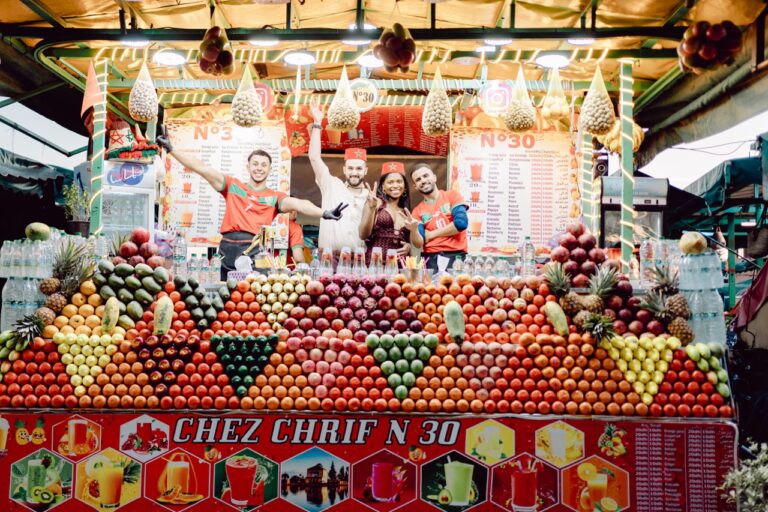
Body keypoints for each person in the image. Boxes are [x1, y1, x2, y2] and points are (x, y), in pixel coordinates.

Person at [156, 126, 346, 279]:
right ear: (248, 166)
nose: (259, 168)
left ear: (270, 169)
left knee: (253, 301)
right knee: (222, 296)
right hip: (226, 250)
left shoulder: (274, 197)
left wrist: (324, 213)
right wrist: (172, 149)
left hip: (255, 252)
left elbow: (299, 204)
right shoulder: (232, 186)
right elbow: (201, 168)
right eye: (255, 164)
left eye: (264, 165)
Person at [308, 97, 369, 254]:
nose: (354, 172)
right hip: (329, 257)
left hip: (359, 259)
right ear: (344, 170)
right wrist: (317, 122)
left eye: (358, 168)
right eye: (350, 168)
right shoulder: (331, 185)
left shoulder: (371, 197)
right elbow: (314, 157)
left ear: (366, 171)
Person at [409, 162, 468, 271]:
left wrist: (431, 234)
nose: (423, 180)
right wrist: (413, 230)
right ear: (415, 186)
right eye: (418, 180)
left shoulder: (452, 195)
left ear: (434, 178)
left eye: (425, 176)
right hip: (430, 258)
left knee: (456, 288)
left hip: (456, 256)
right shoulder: (417, 210)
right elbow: (419, 242)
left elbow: (461, 224)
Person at [359, 162, 422, 262]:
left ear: (405, 186)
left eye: (399, 181)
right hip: (375, 264)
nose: (395, 185)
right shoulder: (376, 202)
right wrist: (371, 208)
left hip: (400, 265)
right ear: (383, 187)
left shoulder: (406, 211)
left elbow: (415, 243)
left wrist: (408, 246)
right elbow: (363, 235)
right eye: (390, 182)